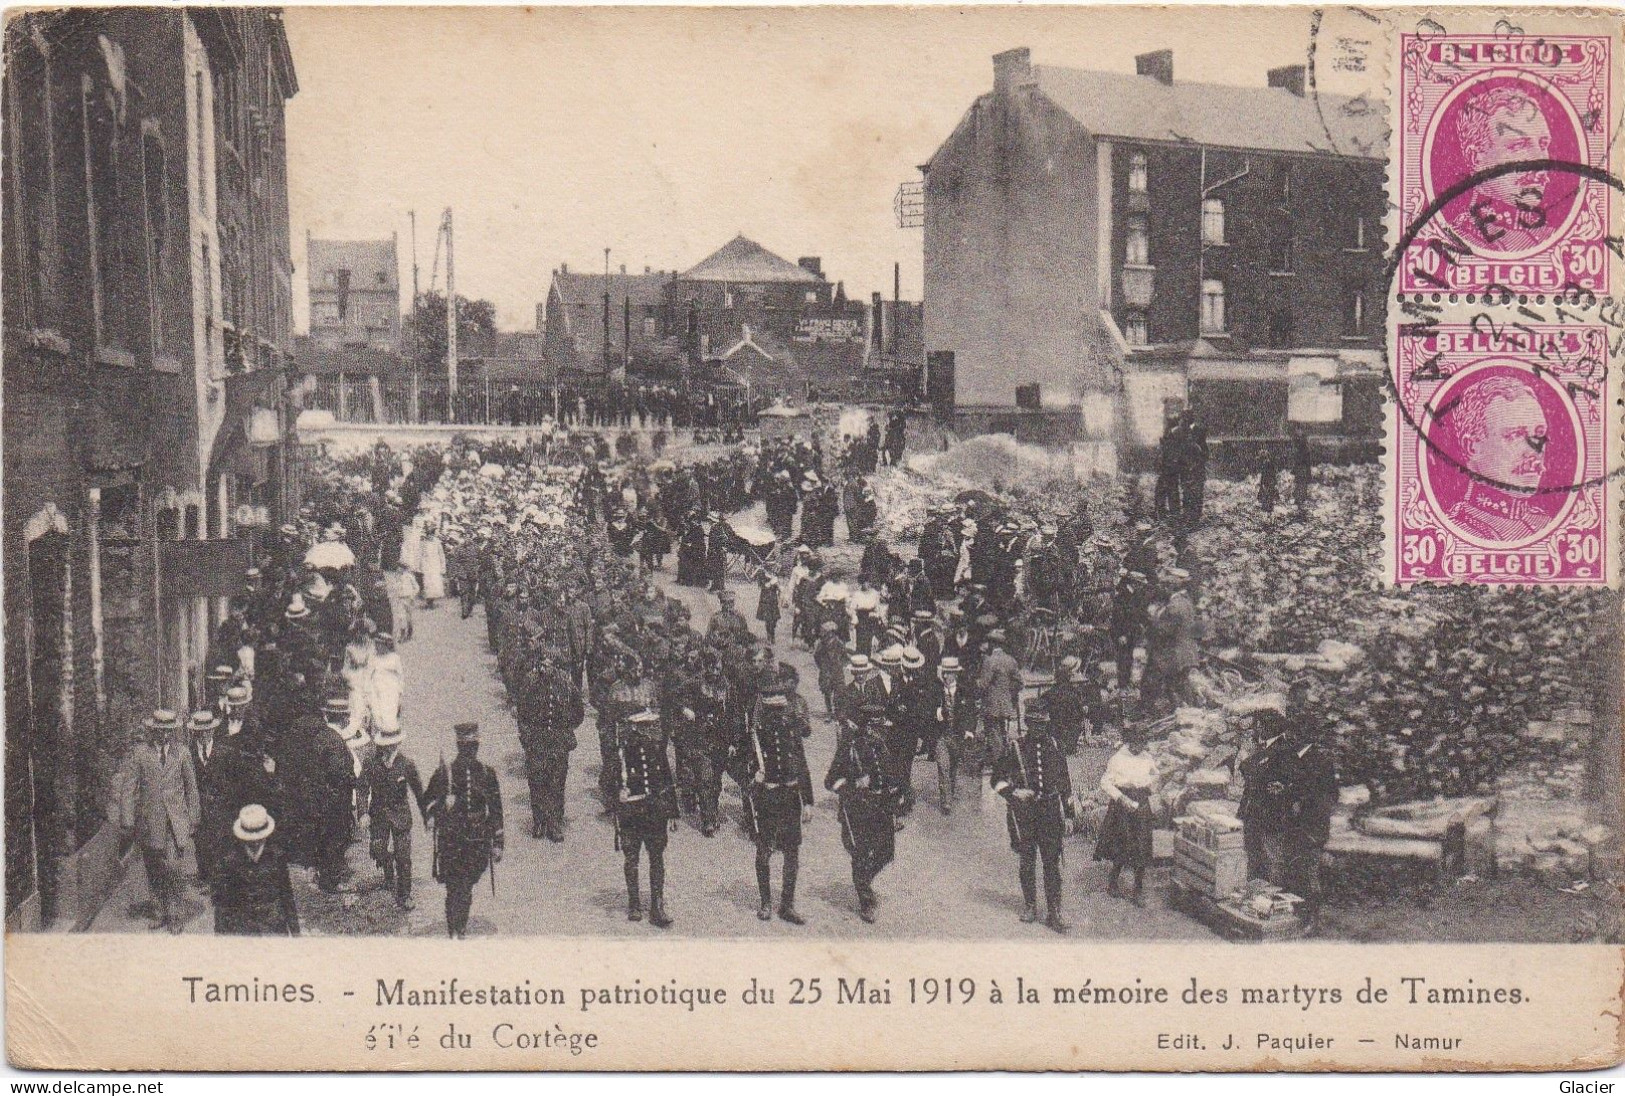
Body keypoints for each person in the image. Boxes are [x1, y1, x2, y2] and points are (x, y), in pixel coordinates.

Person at [991, 706, 1073, 931]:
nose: (1039, 729)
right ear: (1027, 723)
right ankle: (1030, 905)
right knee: (1027, 861)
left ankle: (1054, 911)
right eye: (1034, 724)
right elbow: (996, 780)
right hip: (1025, 814)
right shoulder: (1015, 747)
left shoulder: (1055, 746)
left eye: (1042, 724)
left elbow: (1065, 783)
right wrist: (1013, 792)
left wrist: (1070, 815)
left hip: (1050, 813)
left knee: (1051, 863)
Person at [117, 710, 200, 932]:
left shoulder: (181, 753)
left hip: (175, 821)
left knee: (172, 866)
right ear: (152, 731)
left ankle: (174, 912)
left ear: (173, 732)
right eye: (159, 732)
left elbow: (191, 787)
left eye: (168, 732)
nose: (164, 737)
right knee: (154, 868)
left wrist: (194, 816)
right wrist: (127, 819)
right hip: (149, 821)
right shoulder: (140, 754)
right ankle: (160, 908)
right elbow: (129, 788)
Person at [1449, 84, 1557, 253]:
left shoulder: (1552, 238)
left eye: (1543, 144)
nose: (1540, 160)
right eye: (1519, 145)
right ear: (1475, 157)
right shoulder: (1459, 239)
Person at [1442, 374, 1551, 541]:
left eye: (1539, 434)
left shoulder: (1545, 524)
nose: (1533, 451)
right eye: (1515, 435)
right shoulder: (1457, 532)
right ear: (1471, 447)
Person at [423, 722, 504, 939]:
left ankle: (460, 925)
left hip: (477, 842)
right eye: (465, 748)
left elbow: (496, 810)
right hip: (451, 841)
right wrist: (440, 807)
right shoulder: (445, 773)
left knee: (466, 886)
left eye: (472, 747)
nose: (469, 751)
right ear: (459, 747)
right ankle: (455, 929)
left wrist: (497, 844)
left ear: (477, 747)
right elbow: (427, 802)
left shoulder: (487, 774)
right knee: (454, 888)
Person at [742, 683, 813, 925]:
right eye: (773, 711)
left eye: (780, 710)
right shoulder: (756, 735)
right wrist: (755, 778)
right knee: (764, 851)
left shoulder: (791, 732)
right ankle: (765, 903)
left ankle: (787, 905)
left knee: (792, 852)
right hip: (768, 799)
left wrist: (809, 801)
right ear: (766, 711)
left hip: (791, 797)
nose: (778, 717)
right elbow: (745, 769)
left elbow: (802, 766)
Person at [825, 703, 901, 923]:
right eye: (878, 724)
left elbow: (890, 775)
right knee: (860, 853)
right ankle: (866, 900)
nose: (883, 728)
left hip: (881, 807)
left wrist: (897, 793)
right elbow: (830, 781)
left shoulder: (883, 746)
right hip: (857, 809)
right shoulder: (850, 747)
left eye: (882, 724)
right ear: (868, 726)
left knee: (886, 853)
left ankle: (863, 880)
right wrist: (854, 784)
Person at [612, 709, 679, 927]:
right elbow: (610, 781)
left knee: (656, 857)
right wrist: (618, 794)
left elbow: (667, 780)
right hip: (631, 814)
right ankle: (634, 903)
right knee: (632, 858)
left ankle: (657, 906)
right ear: (634, 727)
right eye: (643, 726)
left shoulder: (657, 748)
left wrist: (672, 812)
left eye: (650, 725)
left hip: (654, 812)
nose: (648, 730)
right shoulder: (623, 750)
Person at [359, 721, 426, 910]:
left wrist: (426, 813)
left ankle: (404, 895)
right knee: (377, 850)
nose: (387, 748)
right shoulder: (371, 762)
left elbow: (419, 791)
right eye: (384, 745)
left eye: (391, 744)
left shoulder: (406, 764)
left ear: (397, 744)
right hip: (378, 815)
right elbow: (362, 788)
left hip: (401, 817)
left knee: (403, 857)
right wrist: (363, 812)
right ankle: (387, 865)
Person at [516, 651, 583, 842]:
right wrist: (526, 737)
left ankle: (554, 822)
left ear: (556, 666)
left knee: (557, 781)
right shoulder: (530, 682)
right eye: (542, 664)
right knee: (537, 780)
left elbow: (578, 711)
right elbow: (521, 712)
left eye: (548, 665)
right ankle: (539, 821)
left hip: (558, 741)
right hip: (536, 740)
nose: (544, 668)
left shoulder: (566, 684)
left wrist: (566, 730)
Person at [1094, 724, 1160, 906]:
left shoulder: (1147, 758)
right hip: (1122, 802)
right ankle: (1113, 881)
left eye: (1142, 744)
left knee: (1142, 845)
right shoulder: (1117, 759)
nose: (1139, 747)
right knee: (1123, 842)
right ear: (1129, 742)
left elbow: (1156, 776)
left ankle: (1138, 889)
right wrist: (1121, 798)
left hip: (1141, 801)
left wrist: (1150, 786)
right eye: (1135, 744)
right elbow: (1105, 783)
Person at [212, 805, 299, 936]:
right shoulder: (230, 860)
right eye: (250, 840)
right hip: (243, 928)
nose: (255, 843)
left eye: (259, 839)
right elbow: (223, 902)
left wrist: (295, 931)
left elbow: (286, 894)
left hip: (273, 926)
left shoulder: (277, 856)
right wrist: (220, 933)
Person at [186, 709, 229, 886]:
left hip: (219, 805)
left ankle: (217, 878)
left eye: (207, 731)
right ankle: (203, 875)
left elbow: (230, 781)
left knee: (218, 840)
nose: (203, 735)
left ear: (212, 731)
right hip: (197, 804)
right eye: (199, 732)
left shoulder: (223, 752)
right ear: (195, 732)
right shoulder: (188, 753)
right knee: (200, 841)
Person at [975, 630, 1022, 751]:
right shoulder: (1011, 660)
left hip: (991, 705)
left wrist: (972, 684)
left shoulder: (989, 661)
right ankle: (1003, 757)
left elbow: (983, 684)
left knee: (993, 734)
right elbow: (1019, 683)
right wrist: (1007, 693)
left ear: (992, 644)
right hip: (1006, 704)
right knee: (1001, 731)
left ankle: (998, 763)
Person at [813, 621, 846, 718]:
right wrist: (822, 666)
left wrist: (839, 664)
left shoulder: (839, 643)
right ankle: (829, 712)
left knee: (839, 691)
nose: (824, 634)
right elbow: (816, 656)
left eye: (826, 632)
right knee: (827, 692)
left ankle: (837, 711)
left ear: (832, 632)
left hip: (837, 671)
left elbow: (844, 656)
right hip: (826, 671)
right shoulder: (821, 644)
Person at [419, 524, 447, 608]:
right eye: (428, 534)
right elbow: (421, 555)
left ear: (433, 534)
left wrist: (443, 567)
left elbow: (441, 555)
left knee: (435, 583)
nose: (430, 536)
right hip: (427, 565)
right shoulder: (423, 543)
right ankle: (428, 602)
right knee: (427, 583)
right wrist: (421, 566)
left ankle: (432, 601)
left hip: (435, 565)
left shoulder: (437, 543)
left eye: (431, 534)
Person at [756, 571, 782, 644]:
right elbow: (762, 586)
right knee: (768, 619)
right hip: (765, 600)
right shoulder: (761, 574)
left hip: (773, 600)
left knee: (774, 619)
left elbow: (778, 588)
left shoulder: (774, 575)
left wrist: (779, 588)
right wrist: (771, 582)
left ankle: (772, 633)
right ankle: (769, 636)